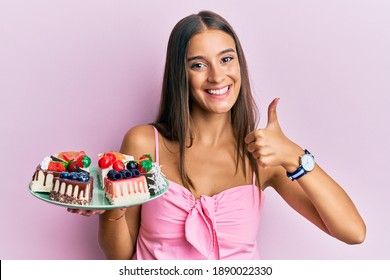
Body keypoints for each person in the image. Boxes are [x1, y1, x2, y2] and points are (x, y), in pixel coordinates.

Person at [68, 10, 366, 260]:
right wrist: (110, 206)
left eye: (226, 59)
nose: (217, 76)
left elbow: (353, 232)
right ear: (180, 74)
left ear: (239, 64)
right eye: (198, 64)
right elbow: (119, 256)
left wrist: (294, 155)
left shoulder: (262, 158)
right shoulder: (144, 143)